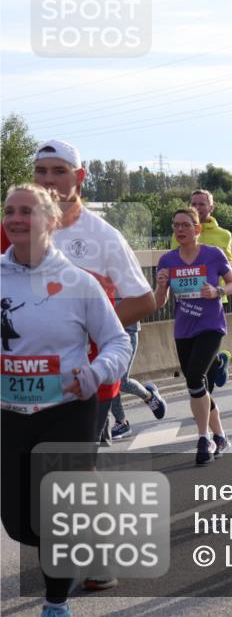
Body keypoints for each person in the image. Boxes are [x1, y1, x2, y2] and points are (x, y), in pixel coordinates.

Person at [2, 184, 132, 617]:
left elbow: (117, 342)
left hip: (67, 412)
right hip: (11, 414)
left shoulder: (79, 282)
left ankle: (56, 605)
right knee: (20, 525)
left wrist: (95, 373)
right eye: (10, 211)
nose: (17, 219)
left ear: (52, 221)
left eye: (27, 211)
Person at [33, 139, 155, 593]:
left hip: (89, 373)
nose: (47, 180)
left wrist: (89, 328)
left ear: (79, 178)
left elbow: (142, 300)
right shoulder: (20, 227)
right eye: (41, 171)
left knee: (74, 462)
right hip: (31, 374)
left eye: (58, 171)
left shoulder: (102, 236)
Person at [154, 208, 232, 464]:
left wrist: (218, 290)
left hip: (211, 326)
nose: (180, 230)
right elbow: (159, 303)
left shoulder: (213, 255)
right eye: (176, 225)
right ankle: (221, 435)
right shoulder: (167, 260)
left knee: (194, 378)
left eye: (186, 225)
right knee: (197, 385)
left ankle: (204, 439)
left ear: (197, 229)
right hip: (183, 330)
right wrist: (160, 286)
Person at [171, 189, 232, 389]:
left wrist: (218, 290)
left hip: (213, 301)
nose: (197, 208)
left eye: (202, 204)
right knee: (198, 363)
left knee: (200, 369)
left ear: (211, 207)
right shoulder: (179, 233)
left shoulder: (223, 235)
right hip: (187, 303)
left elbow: (230, 269)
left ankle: (205, 400)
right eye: (194, 204)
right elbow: (174, 262)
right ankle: (217, 363)